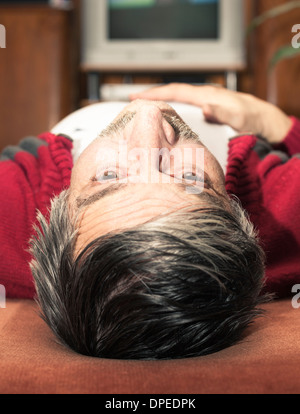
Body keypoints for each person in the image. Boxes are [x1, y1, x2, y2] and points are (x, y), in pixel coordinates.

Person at [0, 83, 299, 360]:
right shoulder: (285, 219)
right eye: (190, 178)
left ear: (58, 213)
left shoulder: (11, 212)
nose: (149, 116)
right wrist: (273, 122)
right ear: (238, 214)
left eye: (108, 177)